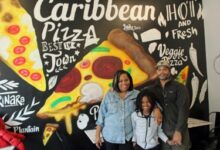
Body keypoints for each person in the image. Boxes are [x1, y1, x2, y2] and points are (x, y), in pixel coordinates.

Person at [146, 60, 191, 150]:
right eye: (159, 70)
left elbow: (184, 109)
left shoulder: (179, 87)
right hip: (162, 132)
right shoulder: (152, 89)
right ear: (157, 72)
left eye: (165, 69)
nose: (162, 72)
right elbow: (140, 97)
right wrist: (155, 108)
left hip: (178, 129)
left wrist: (178, 131)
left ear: (169, 71)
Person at [95, 70, 139, 150]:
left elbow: (149, 104)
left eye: (126, 80)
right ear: (116, 83)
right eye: (120, 81)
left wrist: (157, 110)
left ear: (130, 80)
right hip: (110, 136)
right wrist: (97, 136)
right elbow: (101, 117)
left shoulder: (137, 94)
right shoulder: (109, 95)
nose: (124, 83)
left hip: (128, 137)